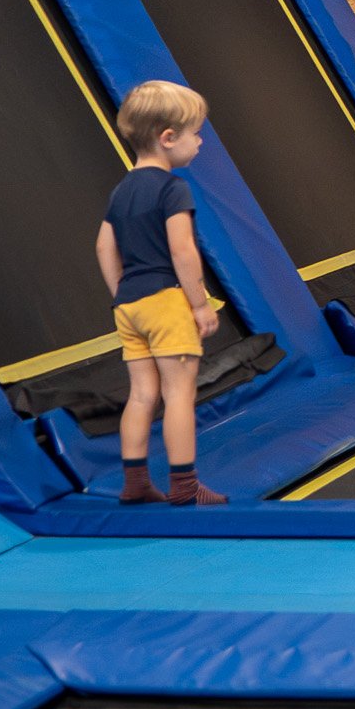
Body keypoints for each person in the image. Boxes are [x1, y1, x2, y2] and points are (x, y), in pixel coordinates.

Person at [97, 79, 227, 504]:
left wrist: (122, 292)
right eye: (195, 133)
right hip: (166, 300)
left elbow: (103, 245)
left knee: (141, 394)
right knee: (178, 395)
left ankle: (135, 484)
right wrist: (199, 303)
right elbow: (183, 249)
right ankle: (185, 487)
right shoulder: (173, 189)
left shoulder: (122, 190)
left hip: (129, 304)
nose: (200, 141)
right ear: (167, 138)